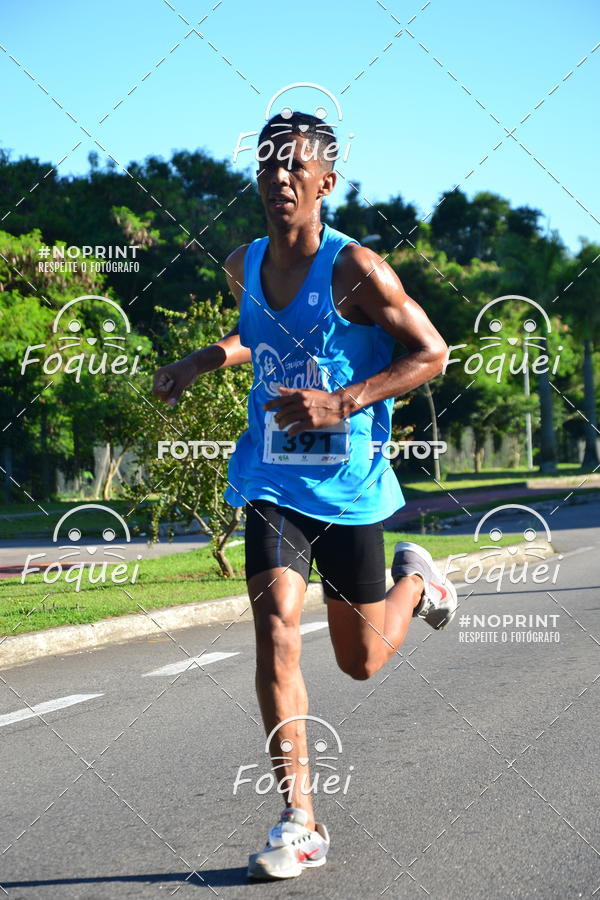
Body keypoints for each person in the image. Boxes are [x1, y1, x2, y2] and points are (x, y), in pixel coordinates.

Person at [152, 111, 457, 881]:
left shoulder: (358, 271)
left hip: (348, 487)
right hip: (271, 478)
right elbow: (259, 330)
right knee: (278, 633)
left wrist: (345, 401)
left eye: (296, 167)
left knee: (358, 661)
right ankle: (300, 820)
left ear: (325, 181)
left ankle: (417, 582)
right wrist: (202, 358)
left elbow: (432, 353)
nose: (280, 178)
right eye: (268, 166)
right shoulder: (242, 261)